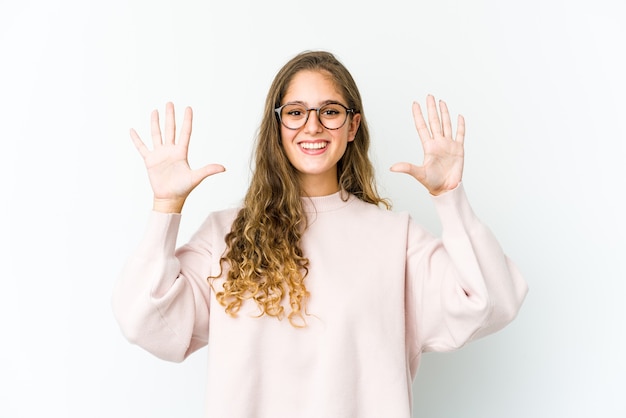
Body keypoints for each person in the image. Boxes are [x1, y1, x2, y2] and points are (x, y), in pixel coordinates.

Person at [112, 50, 528, 417]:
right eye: (295, 112)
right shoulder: (225, 234)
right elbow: (142, 322)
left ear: (352, 126)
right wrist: (165, 207)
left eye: (330, 111)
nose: (312, 126)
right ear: (277, 125)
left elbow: (493, 301)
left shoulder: (394, 238)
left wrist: (450, 197)